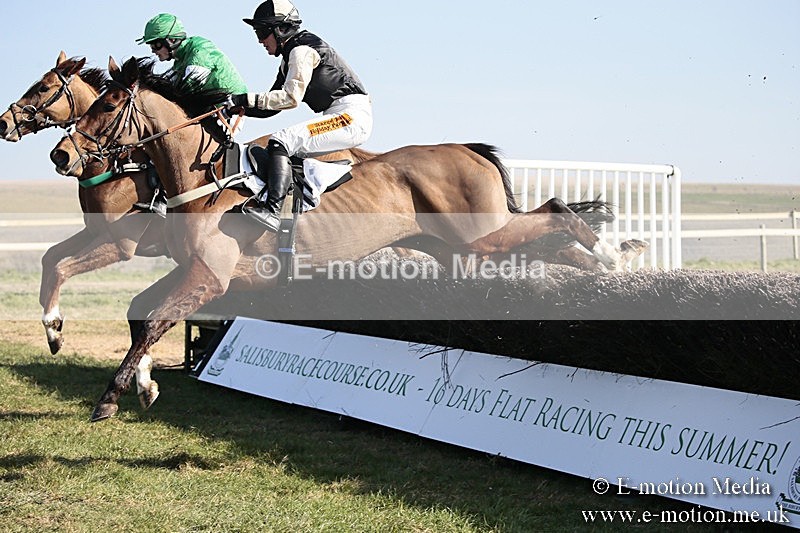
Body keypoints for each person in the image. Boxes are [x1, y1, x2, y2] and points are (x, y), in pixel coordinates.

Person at [229, 0, 373, 231]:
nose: (259, 40)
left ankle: (273, 210)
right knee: (282, 146)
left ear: (281, 29)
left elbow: (290, 98)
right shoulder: (290, 57)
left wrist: (245, 99)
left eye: (263, 32)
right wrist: (237, 107)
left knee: (281, 140)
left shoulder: (301, 50)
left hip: (350, 116)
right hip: (341, 113)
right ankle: (295, 204)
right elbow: (272, 105)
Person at [137, 13, 248, 144]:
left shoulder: (199, 49)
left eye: (156, 45)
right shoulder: (179, 61)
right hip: (210, 109)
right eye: (151, 46)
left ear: (172, 40)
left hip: (231, 108)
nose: (153, 51)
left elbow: (187, 88)